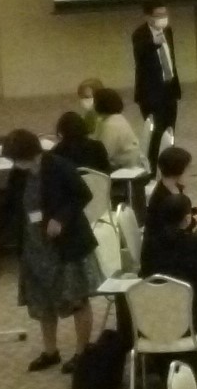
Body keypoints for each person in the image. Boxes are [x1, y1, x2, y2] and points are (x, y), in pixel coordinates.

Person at [8, 128, 101, 373]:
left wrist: (60, 218)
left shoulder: (59, 166)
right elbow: (8, 205)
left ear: (31, 154)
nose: (16, 164)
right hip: (35, 248)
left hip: (66, 245)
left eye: (18, 159)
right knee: (43, 301)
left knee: (77, 298)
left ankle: (82, 352)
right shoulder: (19, 174)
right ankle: (50, 352)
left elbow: (83, 194)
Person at [139, 190, 197, 313]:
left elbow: (145, 275)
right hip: (194, 311)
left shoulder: (149, 244)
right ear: (187, 219)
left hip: (157, 309)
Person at [130, 1, 182, 166]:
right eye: (158, 15)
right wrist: (153, 43)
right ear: (148, 17)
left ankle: (169, 166)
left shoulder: (168, 30)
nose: (163, 18)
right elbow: (140, 56)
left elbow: (169, 57)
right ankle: (152, 169)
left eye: (164, 14)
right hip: (150, 93)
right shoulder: (139, 34)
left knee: (169, 131)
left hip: (169, 89)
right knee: (155, 134)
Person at [92, 86, 147, 175]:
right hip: (130, 163)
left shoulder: (111, 125)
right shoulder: (116, 118)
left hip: (126, 168)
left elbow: (104, 154)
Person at [50, 110, 113, 175]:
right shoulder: (97, 147)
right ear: (83, 126)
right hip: (97, 181)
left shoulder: (57, 152)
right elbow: (107, 172)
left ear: (61, 130)